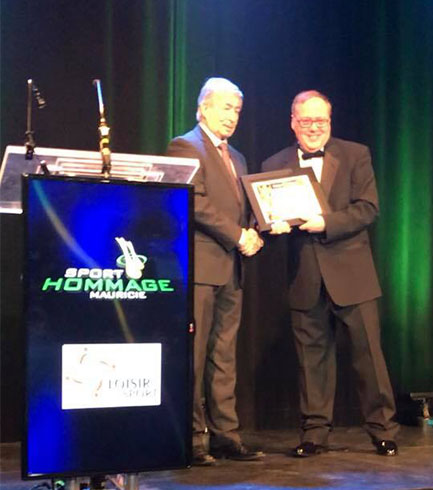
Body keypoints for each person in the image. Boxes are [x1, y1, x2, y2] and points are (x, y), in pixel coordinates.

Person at [262, 90, 400, 457]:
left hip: (353, 274)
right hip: (304, 276)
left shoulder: (355, 154)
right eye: (306, 121)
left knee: (369, 358)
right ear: (293, 122)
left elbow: (368, 208)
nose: (314, 128)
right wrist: (271, 228)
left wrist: (326, 223)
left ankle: (383, 430)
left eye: (320, 120)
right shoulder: (273, 163)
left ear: (330, 121)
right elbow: (265, 217)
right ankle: (314, 434)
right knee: (312, 363)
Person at [166, 77, 265, 465]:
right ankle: (192, 438)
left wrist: (256, 230)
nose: (233, 116)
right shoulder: (184, 146)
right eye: (226, 108)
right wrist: (239, 235)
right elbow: (196, 202)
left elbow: (244, 206)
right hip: (201, 268)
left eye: (237, 110)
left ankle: (226, 435)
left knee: (224, 356)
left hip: (232, 269)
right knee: (193, 355)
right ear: (203, 108)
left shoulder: (237, 157)